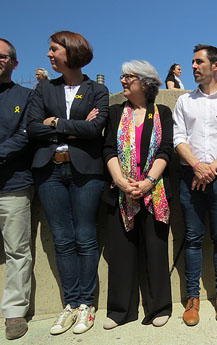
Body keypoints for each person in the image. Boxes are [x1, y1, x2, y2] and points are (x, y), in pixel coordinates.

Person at [26, 31, 109, 335]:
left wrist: (56, 123)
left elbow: (96, 128)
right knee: (62, 240)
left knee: (86, 238)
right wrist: (74, 127)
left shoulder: (97, 89)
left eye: (53, 49)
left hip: (85, 172)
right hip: (49, 172)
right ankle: (70, 304)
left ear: (70, 51)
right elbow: (33, 128)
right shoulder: (43, 89)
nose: (48, 55)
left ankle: (86, 304)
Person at [173, 44, 217, 326]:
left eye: (198, 62)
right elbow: (178, 138)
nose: (193, 66)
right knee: (192, 238)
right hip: (190, 179)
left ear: (216, 65)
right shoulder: (184, 102)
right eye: (191, 62)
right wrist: (196, 166)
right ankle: (192, 298)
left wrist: (211, 168)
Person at [102, 60, 173, 329]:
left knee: (155, 251)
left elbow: (165, 149)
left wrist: (149, 181)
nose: (122, 81)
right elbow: (108, 149)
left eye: (128, 77)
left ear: (145, 82)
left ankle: (159, 307)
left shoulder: (162, 112)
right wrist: (121, 181)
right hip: (121, 193)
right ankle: (120, 311)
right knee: (121, 252)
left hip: (153, 193)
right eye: (121, 77)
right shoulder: (115, 112)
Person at [0, 38, 34, 341]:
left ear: (14, 63)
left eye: (2, 56)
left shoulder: (25, 96)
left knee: (17, 251)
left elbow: (26, 135)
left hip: (12, 186)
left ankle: (14, 313)